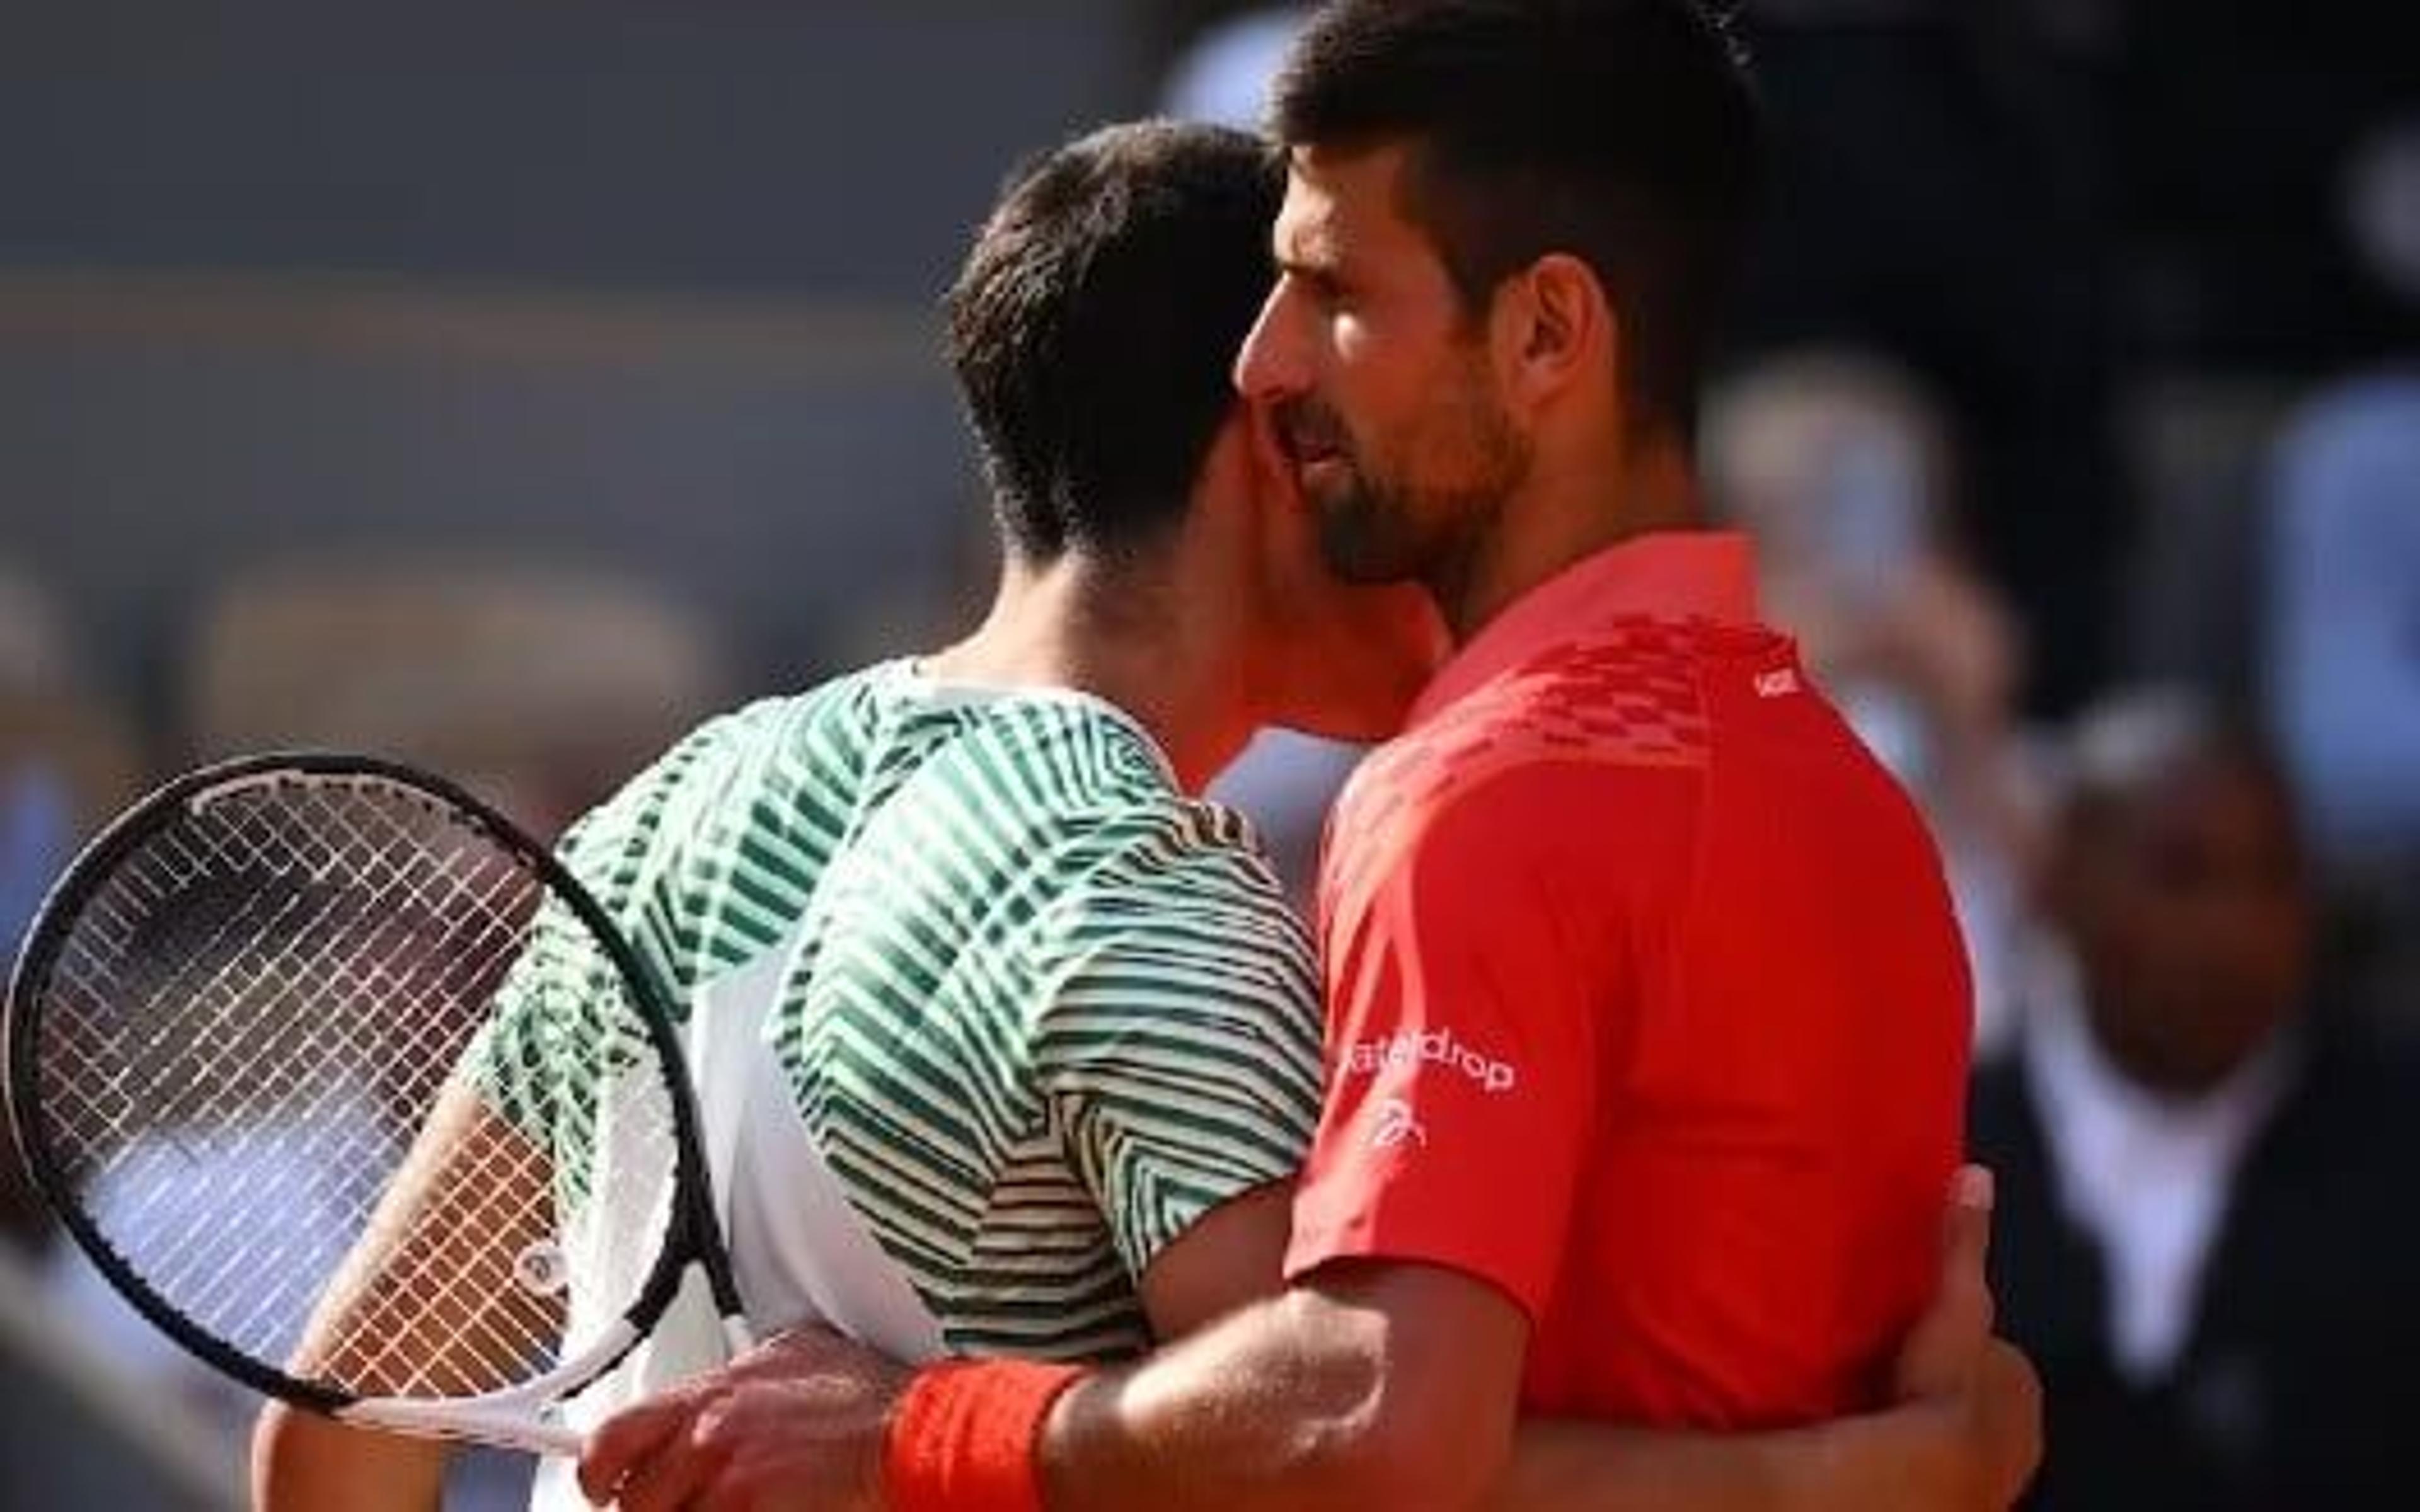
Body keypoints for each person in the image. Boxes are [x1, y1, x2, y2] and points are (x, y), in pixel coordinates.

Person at [259, 118, 2029, 1511]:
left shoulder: (675, 807)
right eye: (1355, 440)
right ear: (1272, 446)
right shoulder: (1151, 902)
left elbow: (338, 1435)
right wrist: (1869, 1473)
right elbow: (1358, 1455)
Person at [1972, 689, 2420, 1510]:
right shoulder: (1951, 1148)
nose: (2236, 930)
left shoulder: (2396, 1141)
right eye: (2183, 873)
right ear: (2061, 883)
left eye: (2274, 877)